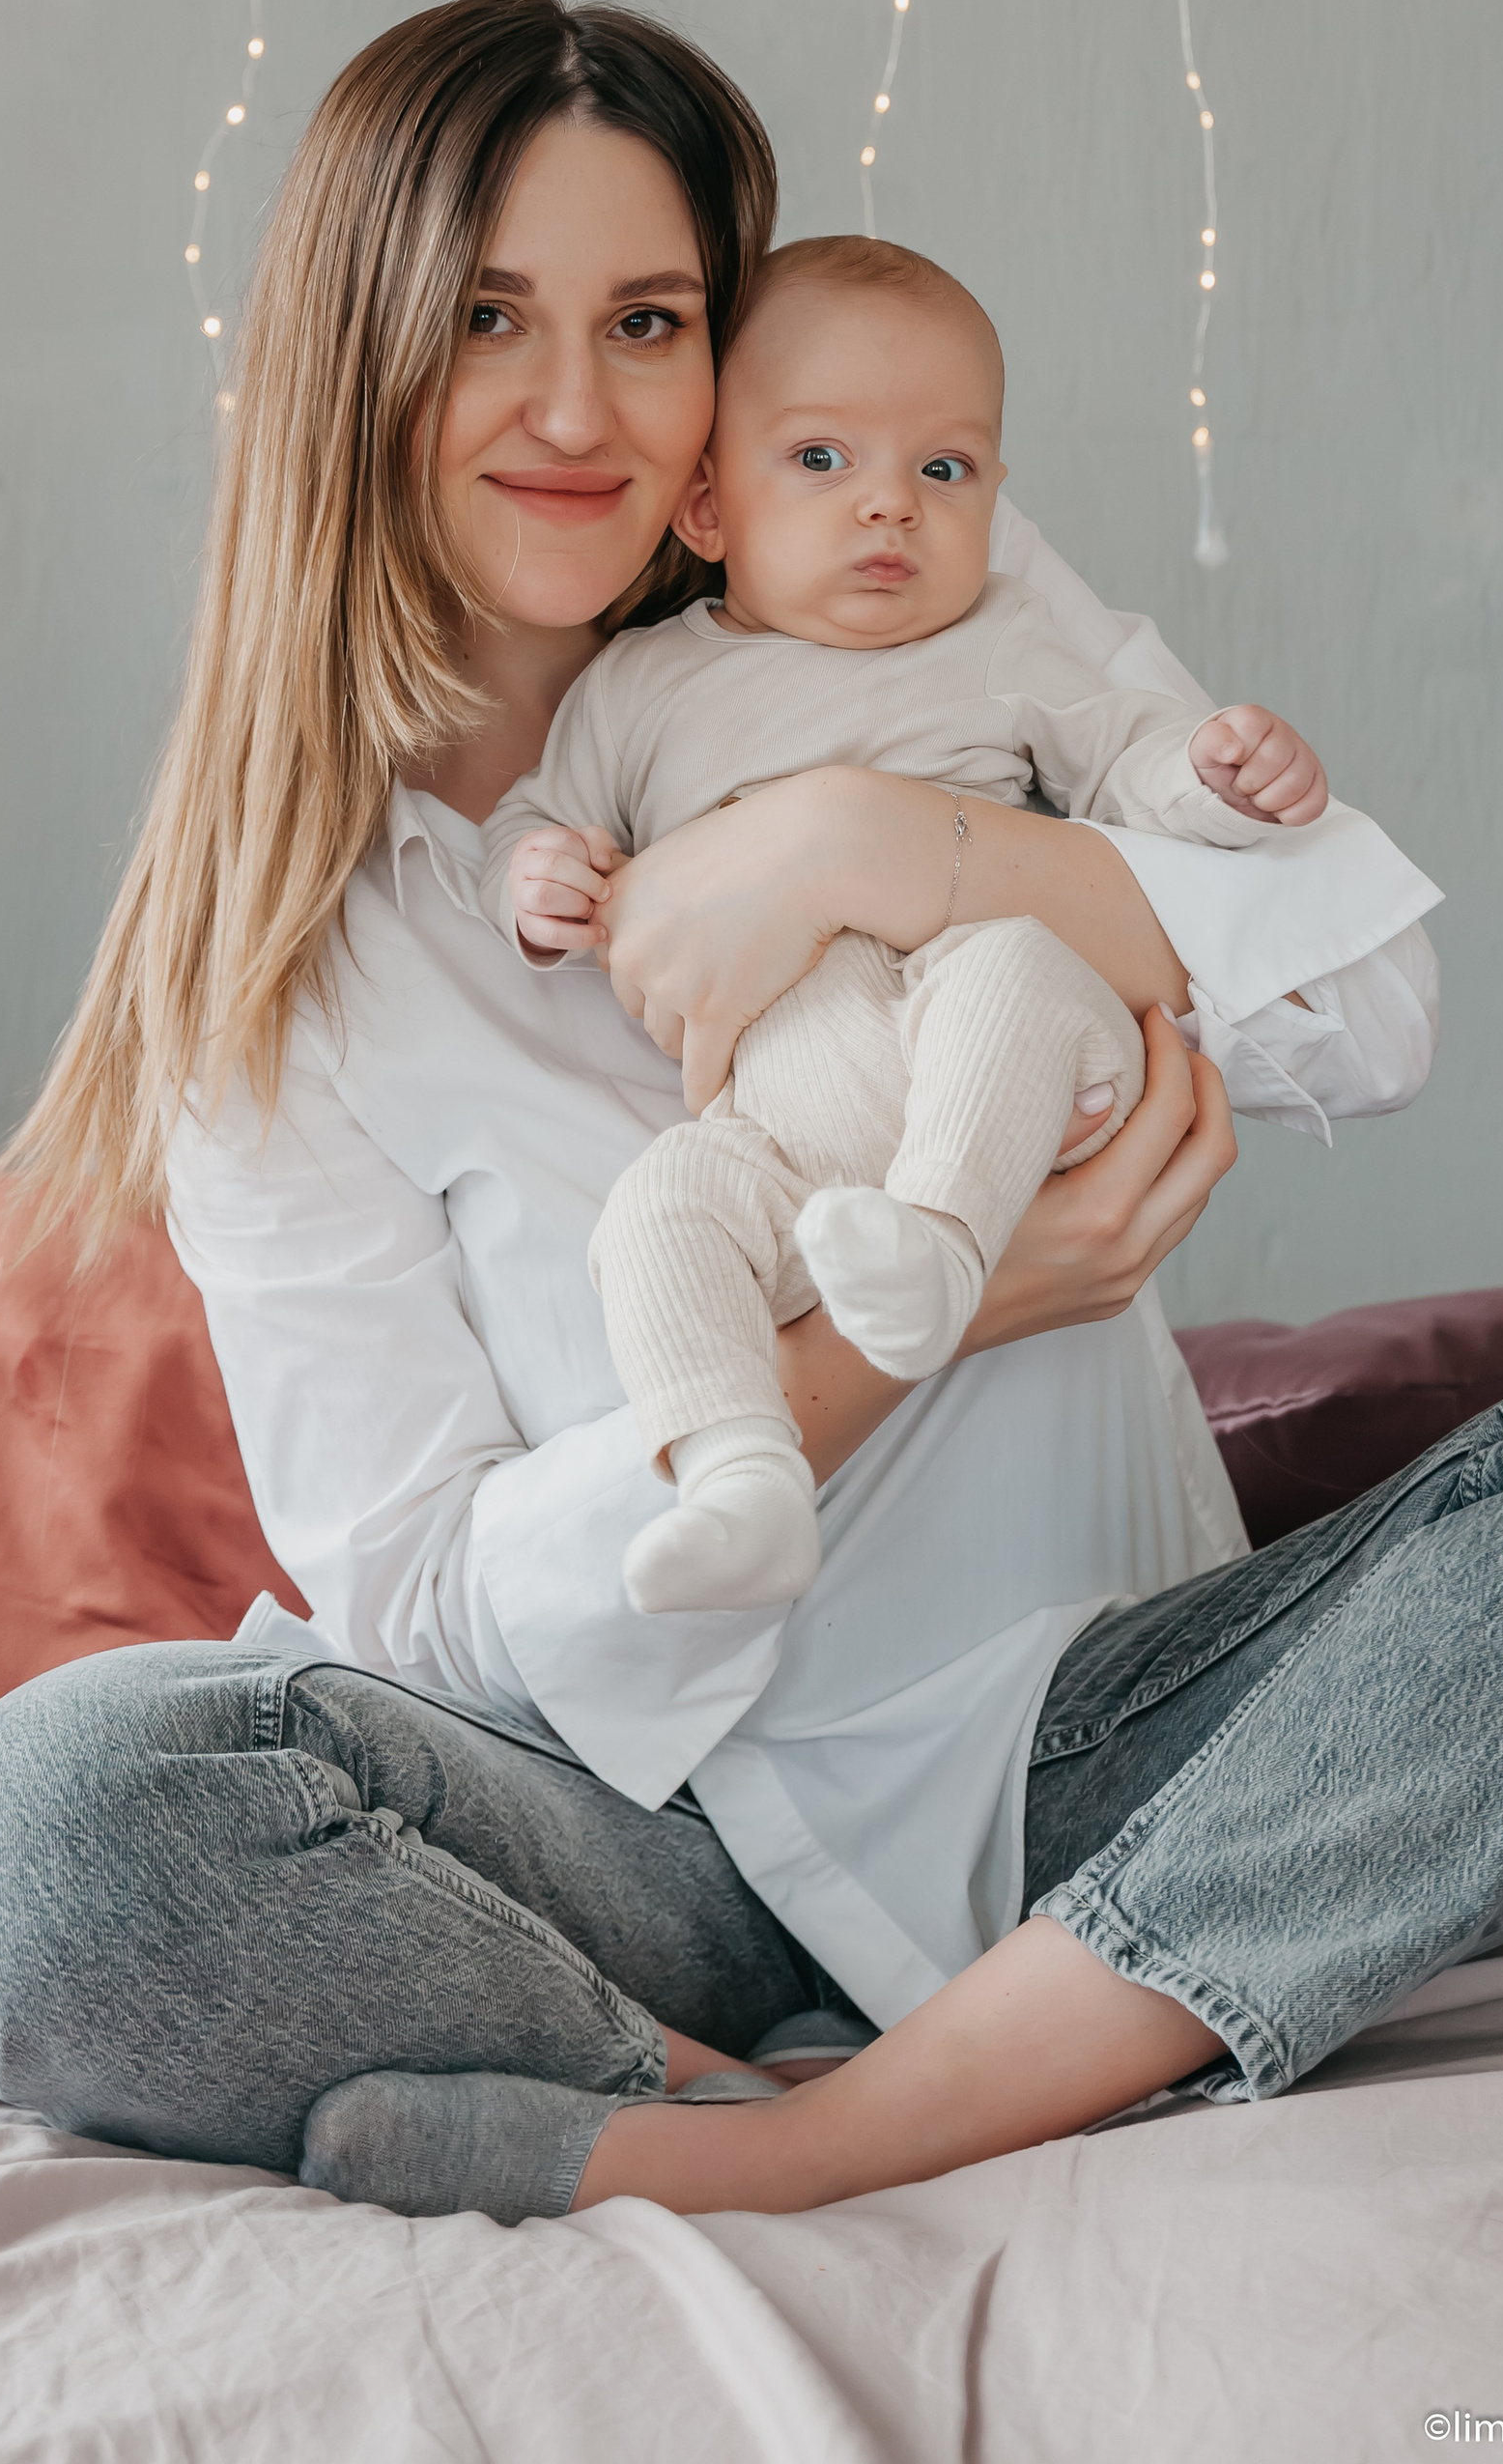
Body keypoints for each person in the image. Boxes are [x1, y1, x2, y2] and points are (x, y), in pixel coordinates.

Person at [0, 0, 1503, 2232]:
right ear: (358, 351)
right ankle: (761, 2062)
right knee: (44, 1823)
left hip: (1117, 1733)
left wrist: (882, 844)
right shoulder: (281, 967)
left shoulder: (903, 572)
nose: (573, 408)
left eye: (646, 320)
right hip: (625, 1839)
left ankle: (843, 2134)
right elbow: (429, 1606)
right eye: (483, 319)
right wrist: (909, 1333)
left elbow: (1363, 1003)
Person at [484, 226, 1333, 1617]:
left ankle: (941, 1241)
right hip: (784, 1129)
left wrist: (1224, 774)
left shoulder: (1002, 645)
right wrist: (540, 883)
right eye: (822, 461)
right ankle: (740, 1471)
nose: (891, 507)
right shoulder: (641, 689)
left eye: (943, 471)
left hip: (1009, 1062)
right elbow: (536, 819)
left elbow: (1142, 764)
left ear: (994, 497)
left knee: (1009, 960)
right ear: (706, 509)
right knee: (659, 1210)